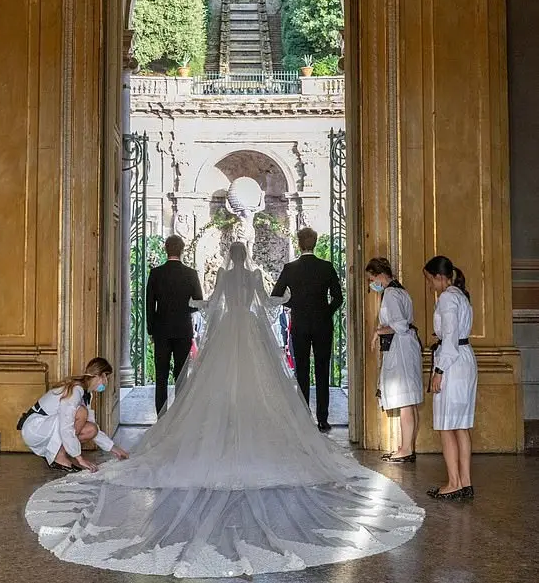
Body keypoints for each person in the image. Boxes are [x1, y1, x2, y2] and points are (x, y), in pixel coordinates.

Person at [24, 242, 424, 578]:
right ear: (246, 257)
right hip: (248, 333)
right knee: (260, 389)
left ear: (227, 258)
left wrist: (190, 303)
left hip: (226, 332)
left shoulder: (224, 276)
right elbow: (270, 302)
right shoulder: (251, 277)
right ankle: (253, 436)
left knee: (211, 388)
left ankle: (206, 430)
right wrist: (289, 300)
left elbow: (210, 303)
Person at [272, 227, 343, 431]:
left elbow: (276, 295)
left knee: (301, 371)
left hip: (300, 324)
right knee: (322, 370)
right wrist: (326, 312)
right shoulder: (326, 267)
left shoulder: (290, 268)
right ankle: (323, 418)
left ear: (299, 243)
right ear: (315, 242)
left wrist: (294, 304)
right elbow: (338, 298)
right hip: (322, 324)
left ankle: (303, 417)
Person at [423, 256, 477, 501]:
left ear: (439, 277)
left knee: (446, 425)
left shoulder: (446, 298)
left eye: (429, 280)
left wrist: (439, 370)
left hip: (452, 362)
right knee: (462, 425)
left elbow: (451, 338)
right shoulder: (461, 296)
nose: (430, 285)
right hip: (465, 359)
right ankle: (465, 481)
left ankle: (453, 482)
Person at [18, 357, 128, 472]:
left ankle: (56, 453)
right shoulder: (76, 390)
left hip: (48, 426)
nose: (106, 382)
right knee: (81, 412)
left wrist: (114, 448)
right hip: (35, 428)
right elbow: (66, 424)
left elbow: (93, 428)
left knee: (92, 429)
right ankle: (59, 456)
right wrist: (79, 459)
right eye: (105, 376)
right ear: (97, 375)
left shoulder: (86, 394)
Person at [366, 257, 423, 462]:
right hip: (407, 347)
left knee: (405, 400)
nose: (371, 284)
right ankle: (406, 446)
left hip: (400, 348)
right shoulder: (402, 291)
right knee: (410, 400)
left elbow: (399, 325)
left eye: (372, 278)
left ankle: (406, 449)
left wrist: (378, 331)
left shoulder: (390, 293)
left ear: (380, 276)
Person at [146, 235, 203, 414]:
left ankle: (161, 416)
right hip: (183, 330)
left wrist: (151, 329)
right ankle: (178, 417)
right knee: (181, 376)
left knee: (161, 376)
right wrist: (184, 312)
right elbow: (198, 301)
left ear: (165, 249)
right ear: (182, 250)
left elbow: (149, 304)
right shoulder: (190, 273)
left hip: (161, 330)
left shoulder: (156, 273)